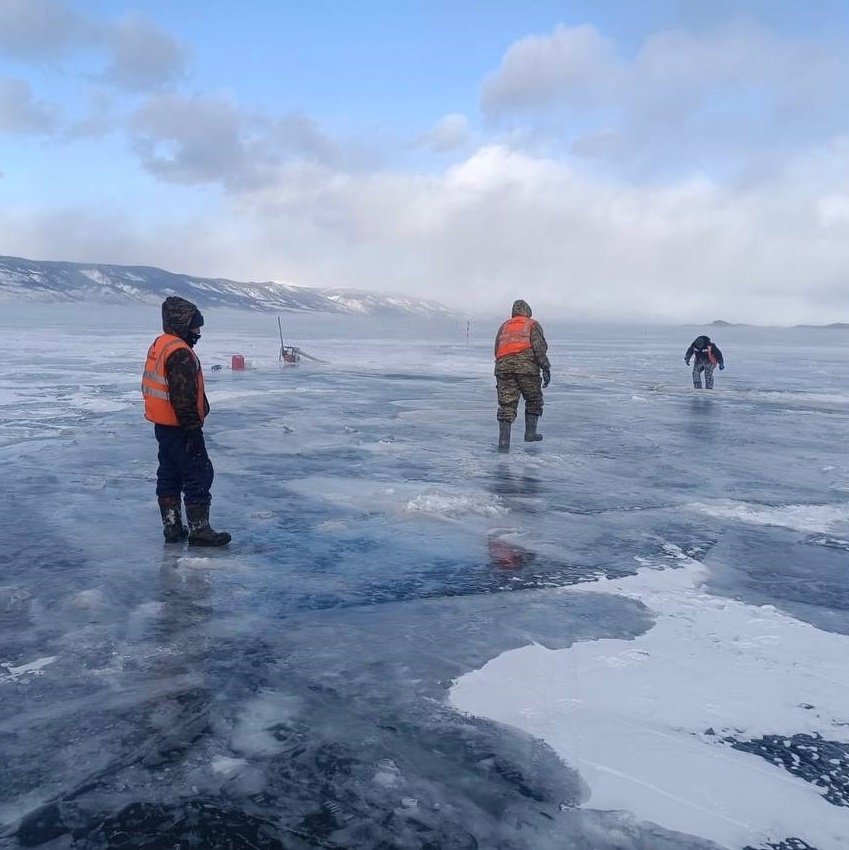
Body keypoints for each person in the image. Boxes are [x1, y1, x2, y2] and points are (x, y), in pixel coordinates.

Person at [142, 296, 231, 546]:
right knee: (198, 472)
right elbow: (182, 398)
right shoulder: (180, 353)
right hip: (181, 427)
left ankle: (172, 527)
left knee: (169, 473)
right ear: (182, 325)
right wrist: (193, 430)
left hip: (164, 427)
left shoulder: (162, 344)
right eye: (195, 326)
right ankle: (199, 529)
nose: (198, 332)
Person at [494, 299, 551, 452]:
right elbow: (539, 349)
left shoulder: (504, 326)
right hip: (526, 368)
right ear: (528, 311)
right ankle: (530, 433)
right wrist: (545, 367)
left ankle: (504, 442)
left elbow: (497, 348)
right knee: (533, 399)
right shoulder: (531, 324)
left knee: (506, 405)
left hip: (504, 368)